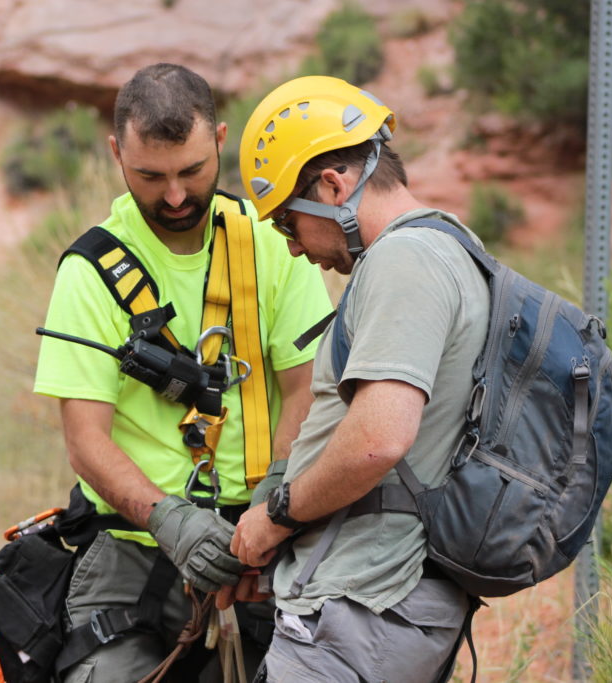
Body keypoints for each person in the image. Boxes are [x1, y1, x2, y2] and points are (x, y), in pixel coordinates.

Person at [34, 63, 332, 682]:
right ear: (117, 153)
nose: (174, 196)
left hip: (263, 544)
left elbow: (305, 389)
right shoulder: (89, 271)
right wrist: (170, 522)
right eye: (150, 176)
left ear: (221, 140)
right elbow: (85, 440)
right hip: (131, 550)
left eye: (192, 171)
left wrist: (274, 507)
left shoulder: (275, 244)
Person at [226, 75, 489, 682]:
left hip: (357, 615)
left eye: (288, 223)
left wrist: (276, 517)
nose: (291, 248)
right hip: (374, 612)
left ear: (333, 185)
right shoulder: (452, 245)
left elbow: (379, 438)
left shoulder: (405, 261)